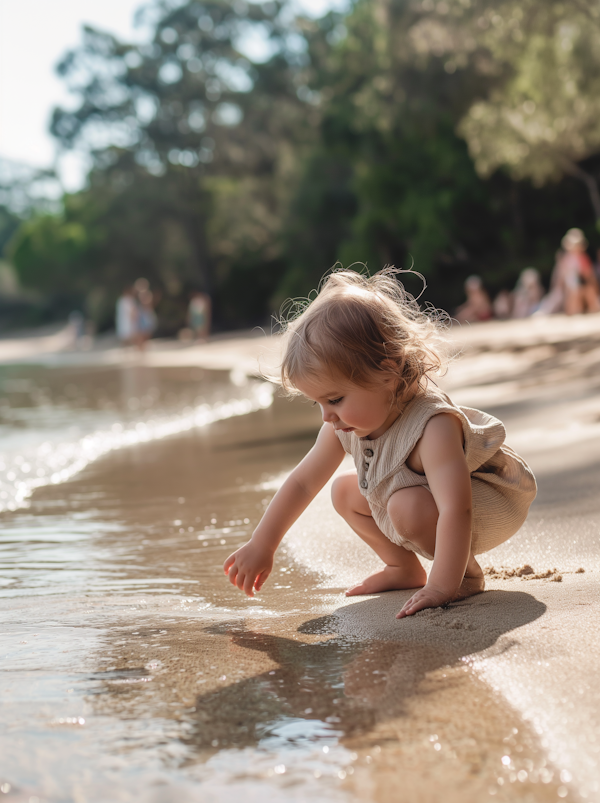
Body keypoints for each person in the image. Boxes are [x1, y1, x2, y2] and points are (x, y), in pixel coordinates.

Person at [223, 269, 537, 619]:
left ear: (387, 374)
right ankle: (403, 568)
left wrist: (440, 585)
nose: (327, 415)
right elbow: (302, 481)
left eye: (336, 398)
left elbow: (456, 508)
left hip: (485, 504)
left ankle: (464, 574)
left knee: (405, 506)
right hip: (422, 502)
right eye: (319, 404)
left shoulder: (433, 426)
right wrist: (263, 543)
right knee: (343, 492)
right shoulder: (342, 424)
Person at [556, 228, 600, 315]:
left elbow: (590, 276)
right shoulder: (566, 259)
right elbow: (562, 279)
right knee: (575, 293)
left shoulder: (584, 258)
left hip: (584, 286)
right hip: (571, 288)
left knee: (588, 292)